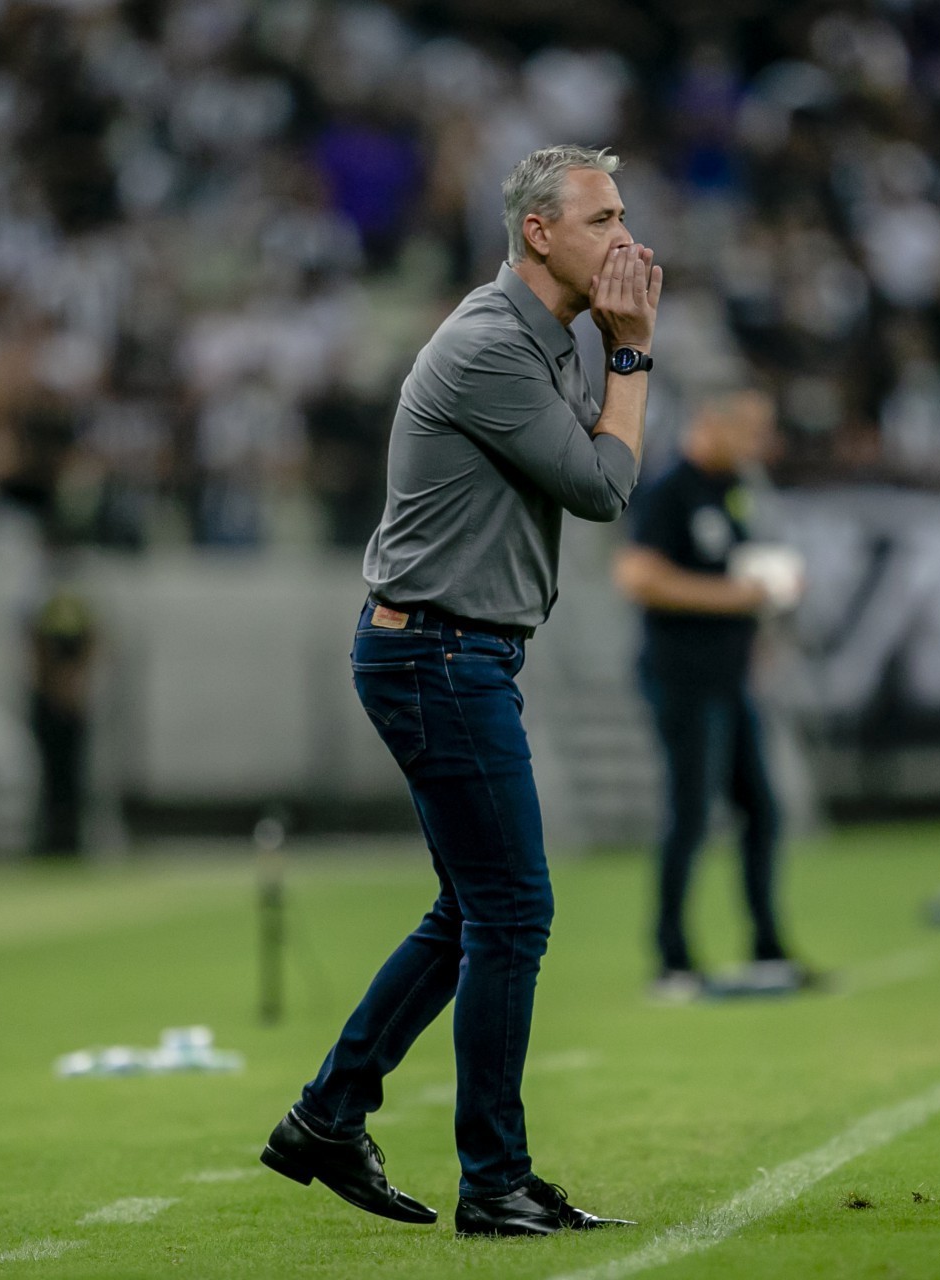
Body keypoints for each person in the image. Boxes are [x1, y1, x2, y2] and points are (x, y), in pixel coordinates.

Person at [260, 144, 659, 1238]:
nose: (625, 239)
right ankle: (495, 1179)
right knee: (513, 911)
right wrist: (632, 354)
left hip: (449, 649)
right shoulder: (491, 344)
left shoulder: (537, 337)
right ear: (538, 230)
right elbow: (603, 485)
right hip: (437, 651)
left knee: (471, 910)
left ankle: (328, 1116)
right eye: (602, 219)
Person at [613, 388, 814, 1001]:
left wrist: (762, 607)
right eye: (749, 429)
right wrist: (735, 598)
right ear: (711, 422)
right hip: (681, 677)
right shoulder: (670, 488)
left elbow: (731, 570)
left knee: (761, 810)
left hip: (730, 679)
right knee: (691, 814)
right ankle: (671, 960)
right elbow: (637, 576)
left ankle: (767, 949)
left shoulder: (734, 490)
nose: (759, 443)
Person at [27, 569, 98, 857]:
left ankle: (69, 839)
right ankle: (53, 838)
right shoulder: (48, 608)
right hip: (50, 705)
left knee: (70, 776)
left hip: (68, 707)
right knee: (52, 776)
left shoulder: (68, 608)